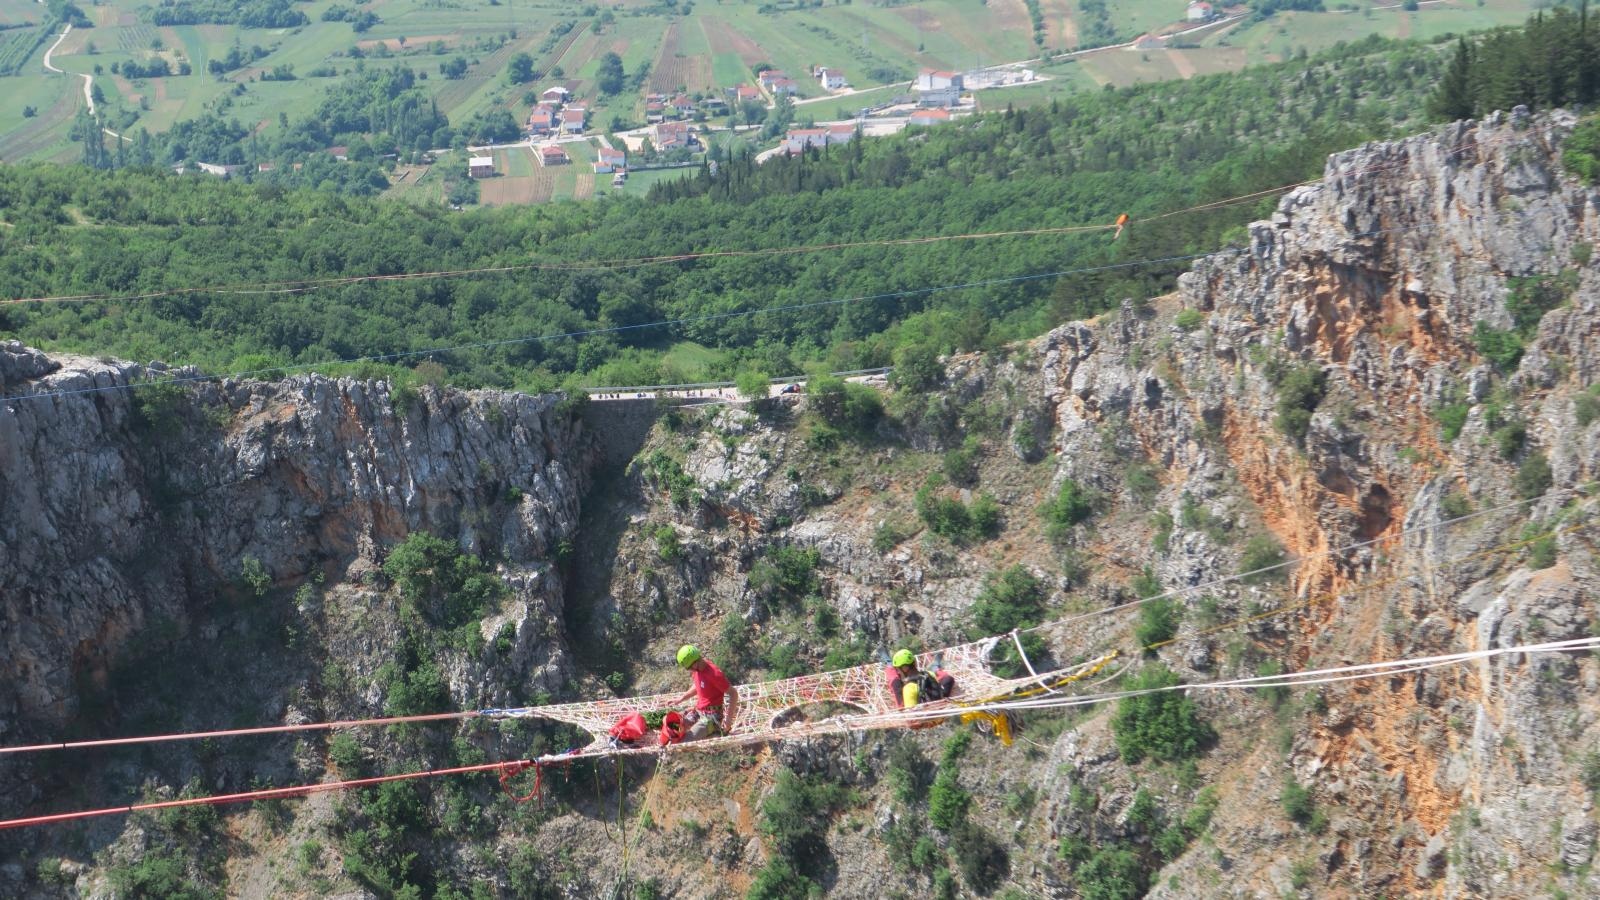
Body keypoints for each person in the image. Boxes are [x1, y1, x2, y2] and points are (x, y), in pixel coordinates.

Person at [673, 645, 738, 740]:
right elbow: (698, 685)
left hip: (712, 717)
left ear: (694, 663)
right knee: (676, 725)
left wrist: (728, 719)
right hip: (699, 711)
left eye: (688, 668)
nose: (689, 670)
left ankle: (713, 729)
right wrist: (682, 698)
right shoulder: (698, 670)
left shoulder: (714, 674)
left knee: (686, 740)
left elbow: (733, 693)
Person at [886, 648, 955, 709]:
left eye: (898, 669)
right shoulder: (930, 675)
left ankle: (889, 664)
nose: (898, 672)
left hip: (928, 720)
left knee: (895, 682)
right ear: (915, 663)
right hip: (939, 707)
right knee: (945, 677)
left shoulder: (909, 688)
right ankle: (935, 666)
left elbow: (910, 718)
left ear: (905, 668)